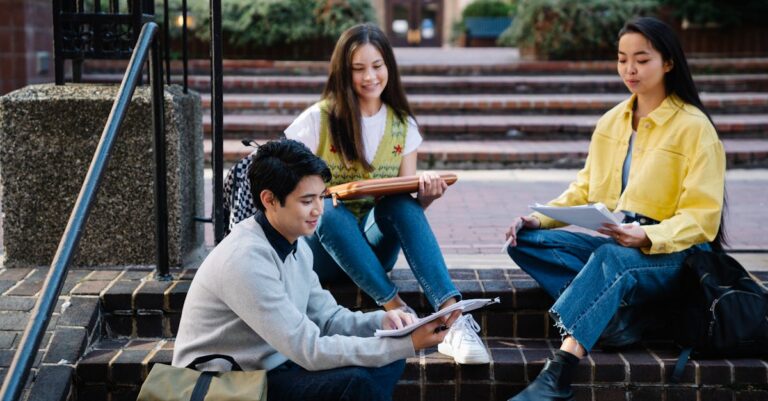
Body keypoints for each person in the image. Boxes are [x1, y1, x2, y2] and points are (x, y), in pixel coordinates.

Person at [502, 17, 726, 401]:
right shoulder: (612, 122)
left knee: (611, 258)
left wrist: (648, 235)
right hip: (624, 239)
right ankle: (618, 321)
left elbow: (703, 218)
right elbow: (585, 188)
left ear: (668, 62)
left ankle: (558, 375)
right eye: (622, 59)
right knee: (525, 242)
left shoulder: (694, 127)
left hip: (677, 253)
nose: (630, 69)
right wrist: (538, 218)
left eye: (642, 59)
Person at [173, 139, 460, 401]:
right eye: (306, 201)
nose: (319, 210)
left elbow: (328, 319)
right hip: (226, 383)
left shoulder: (296, 245)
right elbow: (309, 349)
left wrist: (384, 322)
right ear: (269, 200)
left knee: (387, 360)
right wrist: (407, 343)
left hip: (273, 365)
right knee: (357, 382)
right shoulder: (244, 259)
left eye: (321, 197)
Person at [284, 23, 490, 364]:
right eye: (358, 68)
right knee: (328, 209)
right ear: (343, 72)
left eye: (377, 66)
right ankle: (400, 312)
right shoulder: (317, 120)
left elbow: (403, 207)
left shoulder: (402, 124)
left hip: (373, 251)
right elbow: (287, 189)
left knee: (401, 203)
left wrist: (427, 196)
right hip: (320, 252)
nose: (370, 77)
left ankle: (454, 320)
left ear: (389, 67)